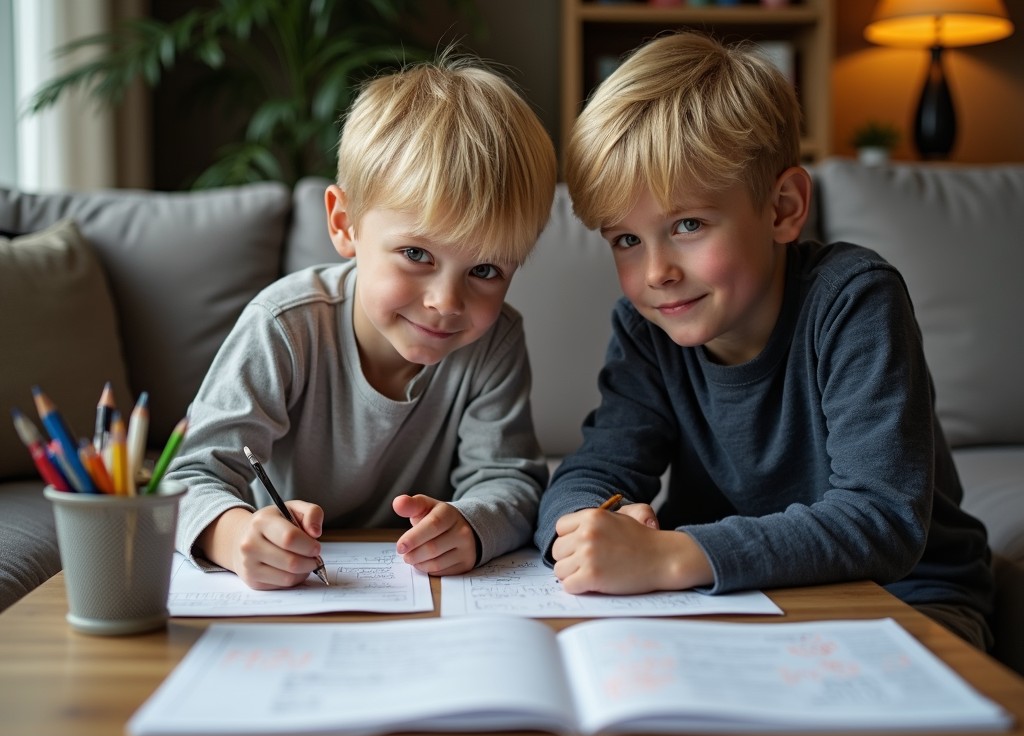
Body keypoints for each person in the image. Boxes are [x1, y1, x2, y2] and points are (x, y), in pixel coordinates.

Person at [535, 31, 994, 649]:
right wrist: (590, 521)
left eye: (688, 225)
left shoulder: (854, 299)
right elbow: (598, 464)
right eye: (626, 240)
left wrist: (675, 555)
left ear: (783, 207)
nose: (656, 273)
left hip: (902, 599)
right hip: (730, 598)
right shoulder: (648, 327)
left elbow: (883, 519)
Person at [170, 53, 557, 589]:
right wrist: (235, 538)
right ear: (344, 223)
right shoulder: (285, 326)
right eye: (417, 255)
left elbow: (509, 479)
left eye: (486, 269)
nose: (447, 301)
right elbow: (190, 475)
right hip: (287, 590)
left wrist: (472, 524)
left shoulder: (495, 342)